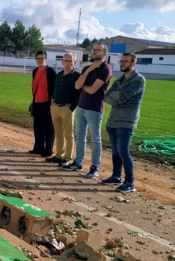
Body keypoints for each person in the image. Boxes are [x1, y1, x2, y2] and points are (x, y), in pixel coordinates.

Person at [62, 43, 112, 178]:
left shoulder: (106, 69)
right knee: (80, 137)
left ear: (105, 54)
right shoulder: (87, 68)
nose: (95, 52)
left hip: (95, 109)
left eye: (98, 50)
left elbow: (91, 90)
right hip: (81, 107)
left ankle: (95, 167)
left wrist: (82, 84)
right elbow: (77, 85)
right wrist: (89, 71)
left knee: (95, 140)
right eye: (94, 50)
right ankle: (78, 163)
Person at [102, 53, 145, 192]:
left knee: (123, 151)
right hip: (113, 120)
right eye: (121, 61)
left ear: (133, 63)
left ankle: (130, 182)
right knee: (115, 151)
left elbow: (123, 96)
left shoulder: (138, 80)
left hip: (126, 121)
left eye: (125, 61)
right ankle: (116, 176)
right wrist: (117, 96)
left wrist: (117, 96)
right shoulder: (119, 80)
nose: (122, 63)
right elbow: (106, 97)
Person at [45, 53, 81, 165]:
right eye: (66, 60)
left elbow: (79, 93)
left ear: (74, 62)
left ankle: (67, 158)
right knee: (59, 133)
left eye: (71, 61)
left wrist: (72, 107)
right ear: (62, 62)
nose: (68, 63)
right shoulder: (59, 74)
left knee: (68, 134)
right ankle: (59, 155)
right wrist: (52, 102)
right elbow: (54, 89)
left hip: (67, 108)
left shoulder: (76, 75)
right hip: (55, 107)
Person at [29, 50, 56, 157]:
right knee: (38, 126)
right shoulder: (35, 71)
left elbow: (54, 88)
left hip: (47, 103)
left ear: (46, 59)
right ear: (36, 60)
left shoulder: (50, 71)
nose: (40, 60)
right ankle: (38, 148)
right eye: (38, 58)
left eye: (42, 58)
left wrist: (52, 103)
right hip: (37, 103)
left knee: (48, 127)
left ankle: (48, 149)